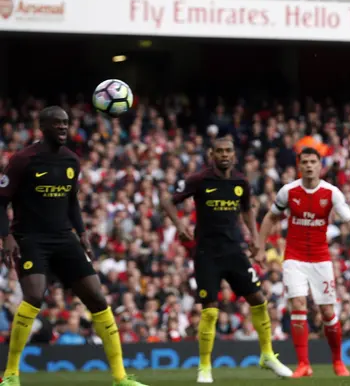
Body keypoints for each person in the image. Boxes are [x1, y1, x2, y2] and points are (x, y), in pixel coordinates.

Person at [0, 107, 147, 386]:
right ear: (42, 127)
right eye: (57, 123)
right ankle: (11, 373)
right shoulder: (23, 160)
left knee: (98, 299)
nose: (63, 128)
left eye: (66, 123)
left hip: (64, 237)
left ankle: (120, 377)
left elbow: (71, 202)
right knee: (33, 296)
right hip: (31, 238)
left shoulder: (71, 160)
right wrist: (5, 236)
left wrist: (82, 233)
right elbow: (0, 200)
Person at [161, 136, 293, 383]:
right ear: (212, 154)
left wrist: (255, 241)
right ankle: (204, 367)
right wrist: (179, 224)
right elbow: (167, 200)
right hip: (206, 254)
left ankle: (267, 355)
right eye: (219, 151)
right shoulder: (199, 180)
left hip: (234, 251)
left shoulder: (240, 181)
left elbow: (246, 210)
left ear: (233, 154)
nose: (224, 155)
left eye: (228, 151)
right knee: (210, 311)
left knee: (259, 300)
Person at [259, 147, 350, 378]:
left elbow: (349, 218)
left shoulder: (331, 192)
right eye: (304, 162)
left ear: (319, 165)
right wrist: (259, 245)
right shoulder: (288, 191)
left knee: (327, 311)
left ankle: (338, 361)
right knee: (298, 306)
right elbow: (270, 217)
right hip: (293, 258)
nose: (308, 165)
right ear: (299, 165)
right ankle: (304, 364)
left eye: (312, 162)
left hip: (321, 259)